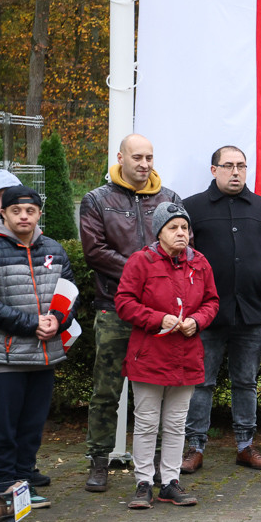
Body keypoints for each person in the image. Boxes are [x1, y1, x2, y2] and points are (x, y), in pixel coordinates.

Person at [80, 133, 181, 492]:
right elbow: (95, 252)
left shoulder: (169, 199)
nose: (144, 164)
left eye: (149, 157)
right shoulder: (96, 200)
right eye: (137, 157)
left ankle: (151, 462)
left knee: (154, 392)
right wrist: (143, 270)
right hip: (114, 310)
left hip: (157, 316)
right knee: (106, 391)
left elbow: (181, 245)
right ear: (120, 157)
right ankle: (98, 460)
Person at [180, 146, 261, 474]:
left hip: (253, 314)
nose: (236, 172)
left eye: (241, 166)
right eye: (228, 166)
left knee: (246, 382)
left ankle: (245, 446)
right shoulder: (191, 207)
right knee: (201, 382)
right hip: (206, 314)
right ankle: (195, 448)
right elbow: (181, 261)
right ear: (214, 170)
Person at [114, 203, 219, 509]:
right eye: (173, 228)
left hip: (186, 356)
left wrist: (198, 321)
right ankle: (143, 482)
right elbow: (123, 302)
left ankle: (170, 482)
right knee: (146, 423)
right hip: (149, 356)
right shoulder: (141, 261)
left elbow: (212, 301)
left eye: (184, 228)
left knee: (176, 424)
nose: (181, 233)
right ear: (158, 231)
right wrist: (156, 318)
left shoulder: (200, 264)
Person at [0, 186, 76, 509]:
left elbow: (71, 293)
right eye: (16, 211)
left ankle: (23, 484)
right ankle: (2, 488)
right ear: (3, 214)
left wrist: (58, 320)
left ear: (39, 214)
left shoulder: (54, 249)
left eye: (30, 211)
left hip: (44, 357)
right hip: (4, 359)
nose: (23, 216)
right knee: (4, 428)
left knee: (32, 427)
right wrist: (32, 324)